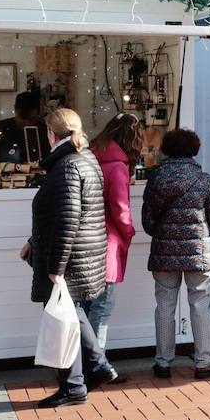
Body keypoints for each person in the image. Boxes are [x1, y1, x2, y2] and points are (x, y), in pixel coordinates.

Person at [22, 108, 119, 408]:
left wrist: (56, 268)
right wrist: (32, 243)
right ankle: (97, 368)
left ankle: (75, 383)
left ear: (51, 134)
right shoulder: (84, 159)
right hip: (83, 254)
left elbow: (67, 219)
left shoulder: (66, 166)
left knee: (64, 318)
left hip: (69, 257)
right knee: (73, 315)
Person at [141, 128, 210, 379]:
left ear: (167, 149)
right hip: (198, 252)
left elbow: (147, 221)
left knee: (165, 305)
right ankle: (204, 362)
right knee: (200, 304)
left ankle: (163, 363)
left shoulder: (155, 178)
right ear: (194, 150)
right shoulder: (203, 179)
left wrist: (164, 233)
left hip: (164, 252)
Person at [87, 113, 142, 376]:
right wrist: (130, 232)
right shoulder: (117, 166)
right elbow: (121, 210)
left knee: (86, 307)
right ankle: (96, 365)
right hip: (106, 244)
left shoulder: (91, 157)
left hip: (85, 241)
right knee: (102, 307)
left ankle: (80, 364)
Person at [0, 91, 51, 165]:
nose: (27, 123)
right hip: (5, 173)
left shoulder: (43, 130)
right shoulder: (0, 128)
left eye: (32, 119)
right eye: (23, 118)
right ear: (16, 110)